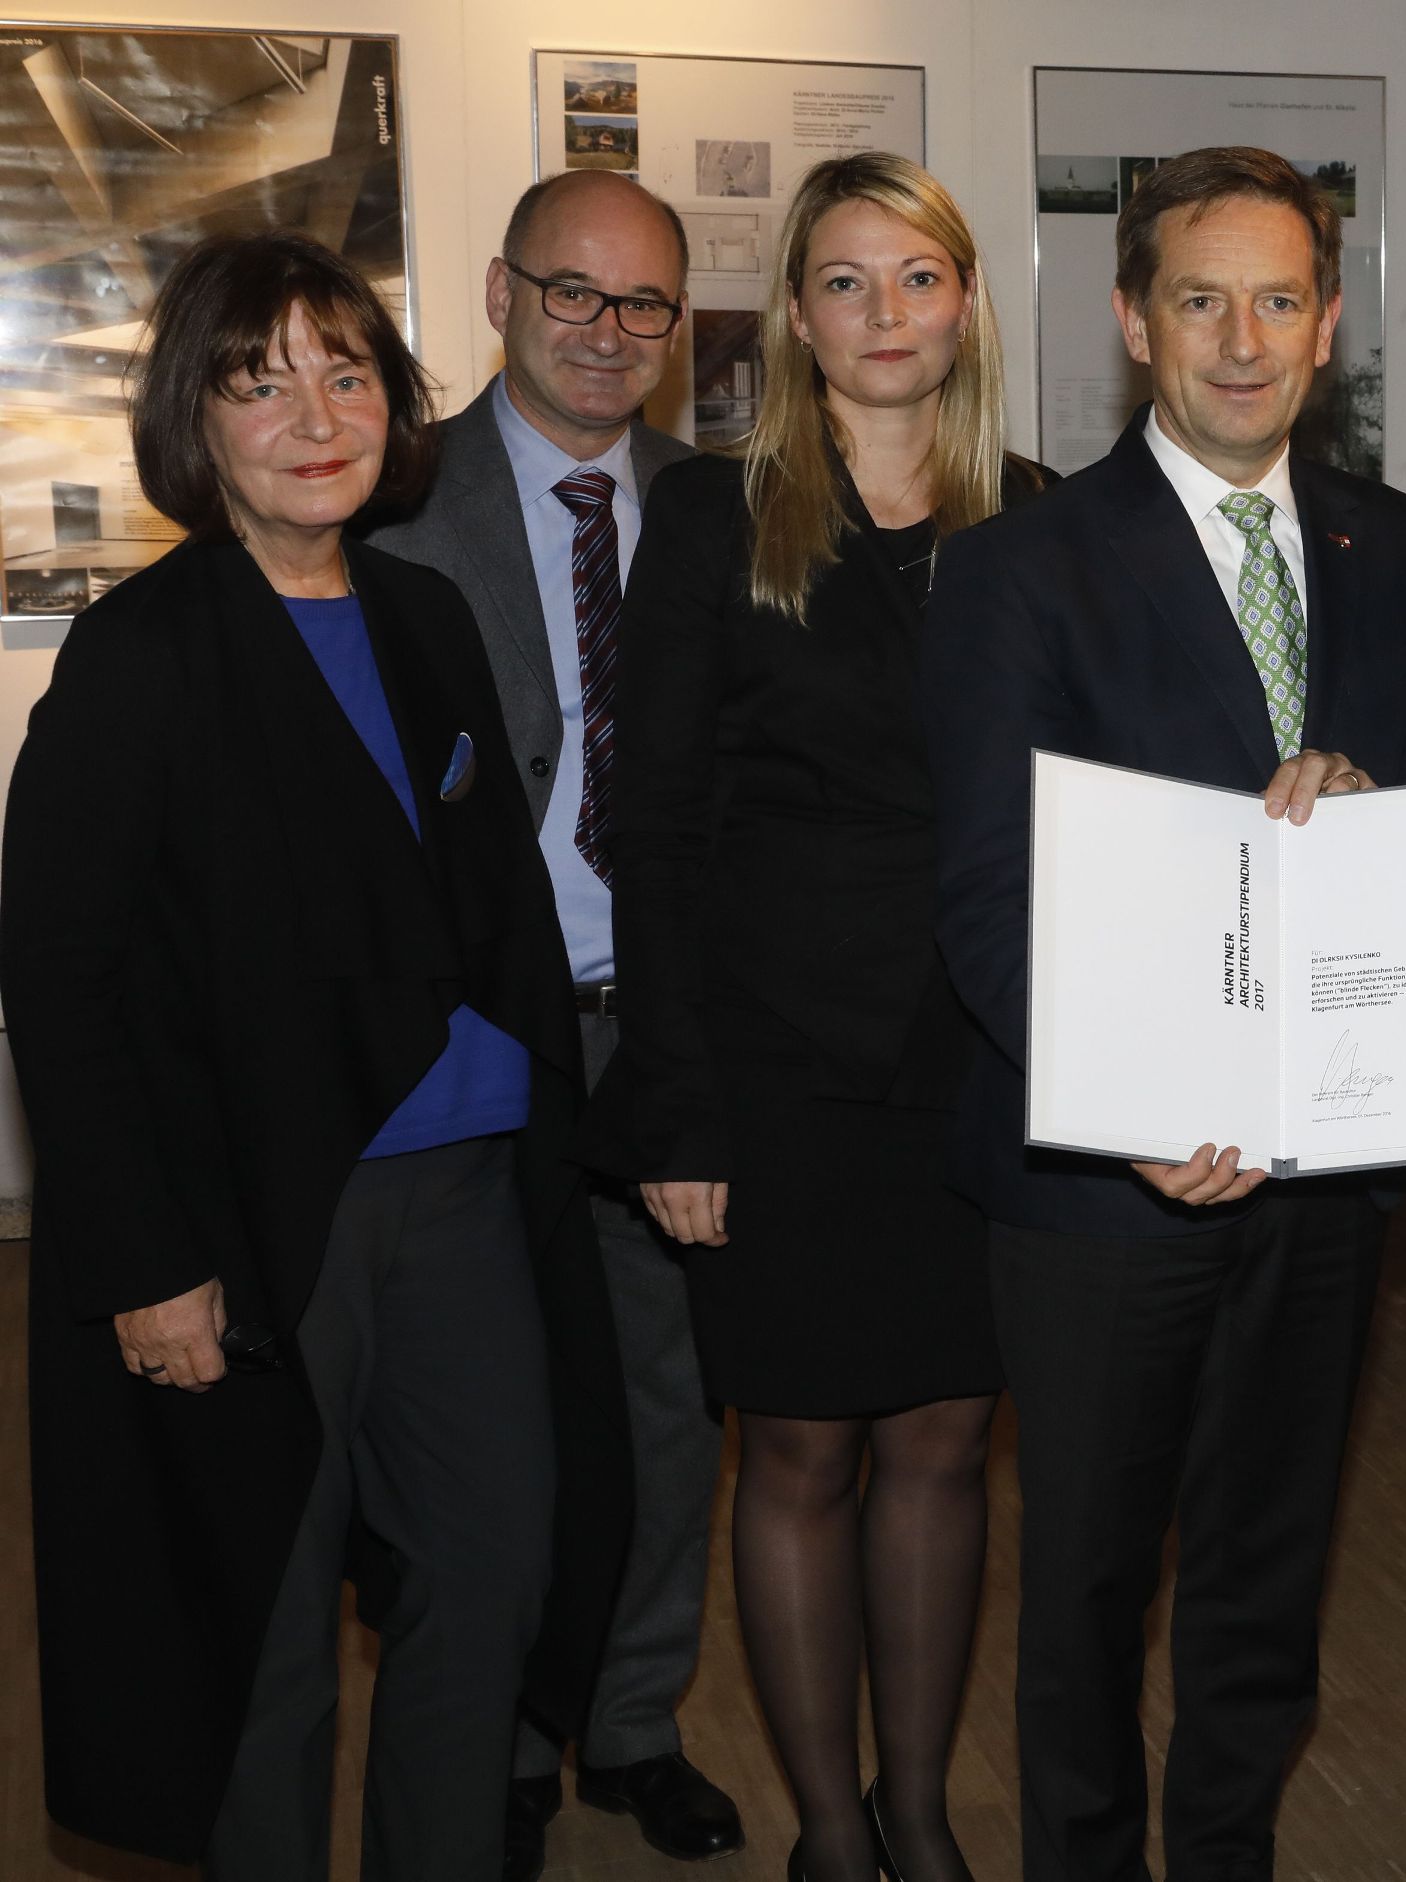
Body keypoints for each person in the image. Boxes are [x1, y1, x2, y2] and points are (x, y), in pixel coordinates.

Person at [1, 232, 623, 1877]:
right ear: (194, 421)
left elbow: (481, 909)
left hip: (470, 1194)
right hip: (265, 1216)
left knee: (491, 1570)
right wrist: (147, 1260)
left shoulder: (424, 613)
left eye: (346, 373)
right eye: (259, 381)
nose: (315, 415)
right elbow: (62, 979)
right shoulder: (140, 652)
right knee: (264, 1628)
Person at [925, 147, 1406, 1882]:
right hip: (1109, 1195)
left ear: (1325, 325)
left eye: (1276, 301)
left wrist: (1376, 801)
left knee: (1266, 1573)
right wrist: (1134, 1107)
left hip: (1325, 1174)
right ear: (1130, 319)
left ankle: (1226, 1851)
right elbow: (987, 896)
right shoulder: (1018, 568)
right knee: (1088, 1589)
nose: (1240, 342)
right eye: (1199, 301)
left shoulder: (1393, 543)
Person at [586, 151, 1039, 1882]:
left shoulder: (1039, 516)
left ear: (965, 302)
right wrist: (676, 1106)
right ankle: (832, 1833)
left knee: (943, 1439)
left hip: (978, 1054)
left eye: (915, 276)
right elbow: (653, 827)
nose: (883, 312)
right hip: (771, 1063)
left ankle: (917, 1812)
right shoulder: (716, 517)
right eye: (844, 280)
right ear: (794, 315)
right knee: (794, 1447)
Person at [366, 168, 739, 1880]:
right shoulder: (391, 501)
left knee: (668, 1411)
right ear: (501, 293)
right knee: (492, 1425)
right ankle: (506, 1739)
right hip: (475, 1044)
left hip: (661, 1035)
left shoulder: (721, 508)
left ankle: (634, 1719)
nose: (606, 330)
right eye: (571, 291)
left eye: (643, 302)